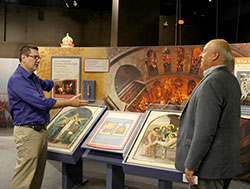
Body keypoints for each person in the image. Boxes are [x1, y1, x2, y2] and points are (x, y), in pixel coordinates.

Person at [8, 45, 88, 189]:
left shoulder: (32, 78)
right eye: (35, 57)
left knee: (37, 174)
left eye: (39, 57)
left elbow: (45, 84)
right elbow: (41, 102)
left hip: (39, 131)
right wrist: (69, 103)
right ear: (23, 58)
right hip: (28, 133)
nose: (38, 60)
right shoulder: (18, 80)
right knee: (24, 176)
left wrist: (60, 82)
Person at [175, 39, 242, 189]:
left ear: (215, 55)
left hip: (208, 169)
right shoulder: (231, 80)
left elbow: (205, 131)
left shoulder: (212, 82)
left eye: (204, 52)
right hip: (223, 166)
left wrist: (191, 163)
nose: (200, 55)